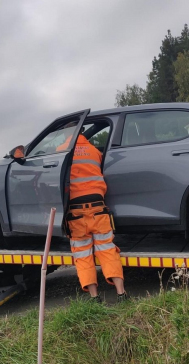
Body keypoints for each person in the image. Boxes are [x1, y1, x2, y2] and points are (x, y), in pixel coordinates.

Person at [56, 122, 127, 303]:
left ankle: (95, 298)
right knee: (108, 250)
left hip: (76, 213)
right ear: (81, 131)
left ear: (66, 132)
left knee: (83, 255)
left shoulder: (61, 152)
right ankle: (121, 294)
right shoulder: (93, 150)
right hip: (98, 208)